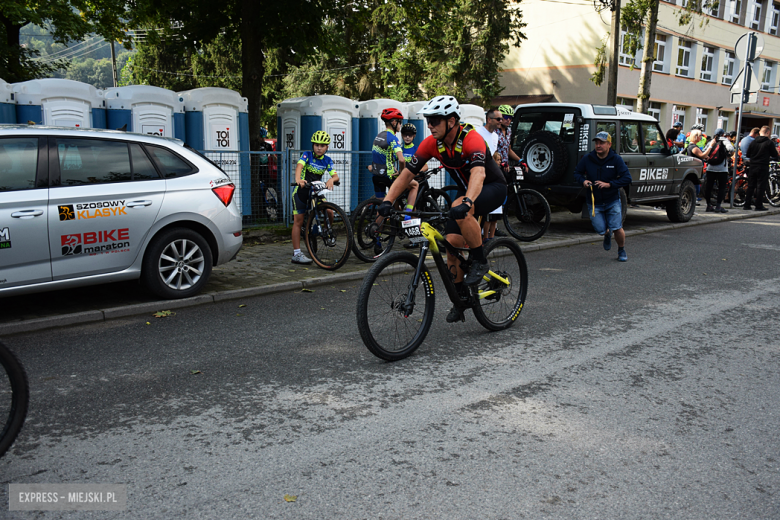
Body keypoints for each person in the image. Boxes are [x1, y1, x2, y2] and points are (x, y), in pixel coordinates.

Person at [377, 95, 508, 323]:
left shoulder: (471, 139)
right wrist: (387, 202)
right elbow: (407, 173)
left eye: (435, 120)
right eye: (428, 120)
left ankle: (479, 259)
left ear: (452, 121)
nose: (429, 125)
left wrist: (467, 201)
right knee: (451, 243)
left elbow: (479, 174)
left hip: (492, 187)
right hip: (467, 191)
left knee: (460, 207)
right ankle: (460, 299)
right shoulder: (432, 144)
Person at [573, 131, 632, 262]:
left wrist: (609, 184)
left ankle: (621, 250)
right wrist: (583, 181)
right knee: (600, 229)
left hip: (612, 200)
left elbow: (627, 178)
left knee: (617, 227)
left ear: (609, 144)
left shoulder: (616, 159)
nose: (598, 145)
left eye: (602, 143)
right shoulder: (588, 158)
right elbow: (577, 172)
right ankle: (606, 233)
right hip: (594, 203)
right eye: (597, 143)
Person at [291, 131, 339, 264]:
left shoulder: (327, 160)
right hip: (301, 191)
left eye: (322, 145)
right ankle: (296, 254)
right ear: (313, 145)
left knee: (329, 212)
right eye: (317, 145)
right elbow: (299, 166)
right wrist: (298, 179)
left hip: (316, 191)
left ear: (327, 147)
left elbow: (335, 176)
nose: (319, 148)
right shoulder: (307, 154)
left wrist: (331, 180)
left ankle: (324, 231)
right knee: (298, 222)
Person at [371, 107, 418, 208]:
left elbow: (381, 156)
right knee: (414, 185)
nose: (400, 125)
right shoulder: (392, 138)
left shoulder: (379, 136)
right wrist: (402, 173)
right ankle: (408, 215)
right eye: (400, 122)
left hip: (376, 175)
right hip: (388, 176)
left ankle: (377, 224)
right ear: (394, 122)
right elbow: (401, 159)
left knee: (382, 207)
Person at [477, 108, 503, 242]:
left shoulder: (495, 136)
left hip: (492, 173)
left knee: (493, 206)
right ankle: (480, 235)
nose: (501, 121)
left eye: (501, 119)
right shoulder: (478, 133)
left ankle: (489, 236)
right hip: (480, 172)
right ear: (489, 120)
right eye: (498, 119)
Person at [744, 125, 778, 211]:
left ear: (759, 132)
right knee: (760, 186)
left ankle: (747, 205)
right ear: (768, 132)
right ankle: (758, 205)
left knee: (751, 186)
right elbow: (774, 154)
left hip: (752, 166)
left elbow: (748, 154)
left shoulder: (753, 142)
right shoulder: (769, 143)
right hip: (763, 166)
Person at [702, 128, 734, 213]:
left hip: (710, 168)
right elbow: (731, 149)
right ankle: (718, 206)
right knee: (722, 188)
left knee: (708, 187)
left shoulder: (711, 141)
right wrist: (728, 155)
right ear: (723, 134)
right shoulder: (725, 140)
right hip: (722, 169)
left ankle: (709, 205)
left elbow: (704, 151)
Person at [495, 105, 521, 174]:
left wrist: (520, 160)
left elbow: (508, 149)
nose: (508, 120)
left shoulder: (509, 131)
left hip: (506, 167)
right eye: (506, 117)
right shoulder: (494, 131)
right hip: (495, 166)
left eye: (510, 118)